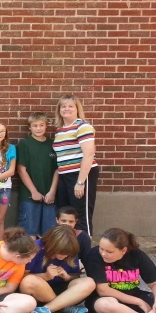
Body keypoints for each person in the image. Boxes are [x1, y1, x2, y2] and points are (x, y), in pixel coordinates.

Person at [84, 228, 156, 313]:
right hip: (107, 299)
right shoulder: (93, 255)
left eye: (109, 251)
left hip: (133, 294)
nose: (103, 254)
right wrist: (138, 302)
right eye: (101, 248)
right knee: (104, 305)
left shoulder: (136, 254)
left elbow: (155, 283)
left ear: (123, 250)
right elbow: (103, 290)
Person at [19, 225, 96, 313]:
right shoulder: (35, 247)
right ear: (52, 245)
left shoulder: (70, 250)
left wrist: (67, 276)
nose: (64, 256)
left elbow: (77, 276)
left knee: (89, 282)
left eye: (67, 254)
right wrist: (45, 276)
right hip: (39, 291)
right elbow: (21, 277)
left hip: (61, 288)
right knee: (29, 281)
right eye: (61, 253)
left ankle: (47, 309)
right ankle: (64, 307)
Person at [53, 95, 99, 235]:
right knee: (65, 213)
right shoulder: (60, 130)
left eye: (70, 106)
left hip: (81, 174)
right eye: (63, 106)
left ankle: (84, 252)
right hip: (64, 175)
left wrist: (80, 181)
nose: (67, 109)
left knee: (80, 214)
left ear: (77, 109)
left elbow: (89, 154)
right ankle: (67, 247)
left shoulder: (83, 126)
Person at [17, 112, 59, 236]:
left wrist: (52, 192)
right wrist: (33, 191)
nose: (38, 128)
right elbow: (21, 170)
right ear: (30, 127)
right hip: (29, 197)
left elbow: (58, 170)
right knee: (28, 233)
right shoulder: (24, 144)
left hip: (49, 197)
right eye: (35, 125)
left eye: (41, 125)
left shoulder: (53, 144)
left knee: (49, 234)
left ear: (46, 126)